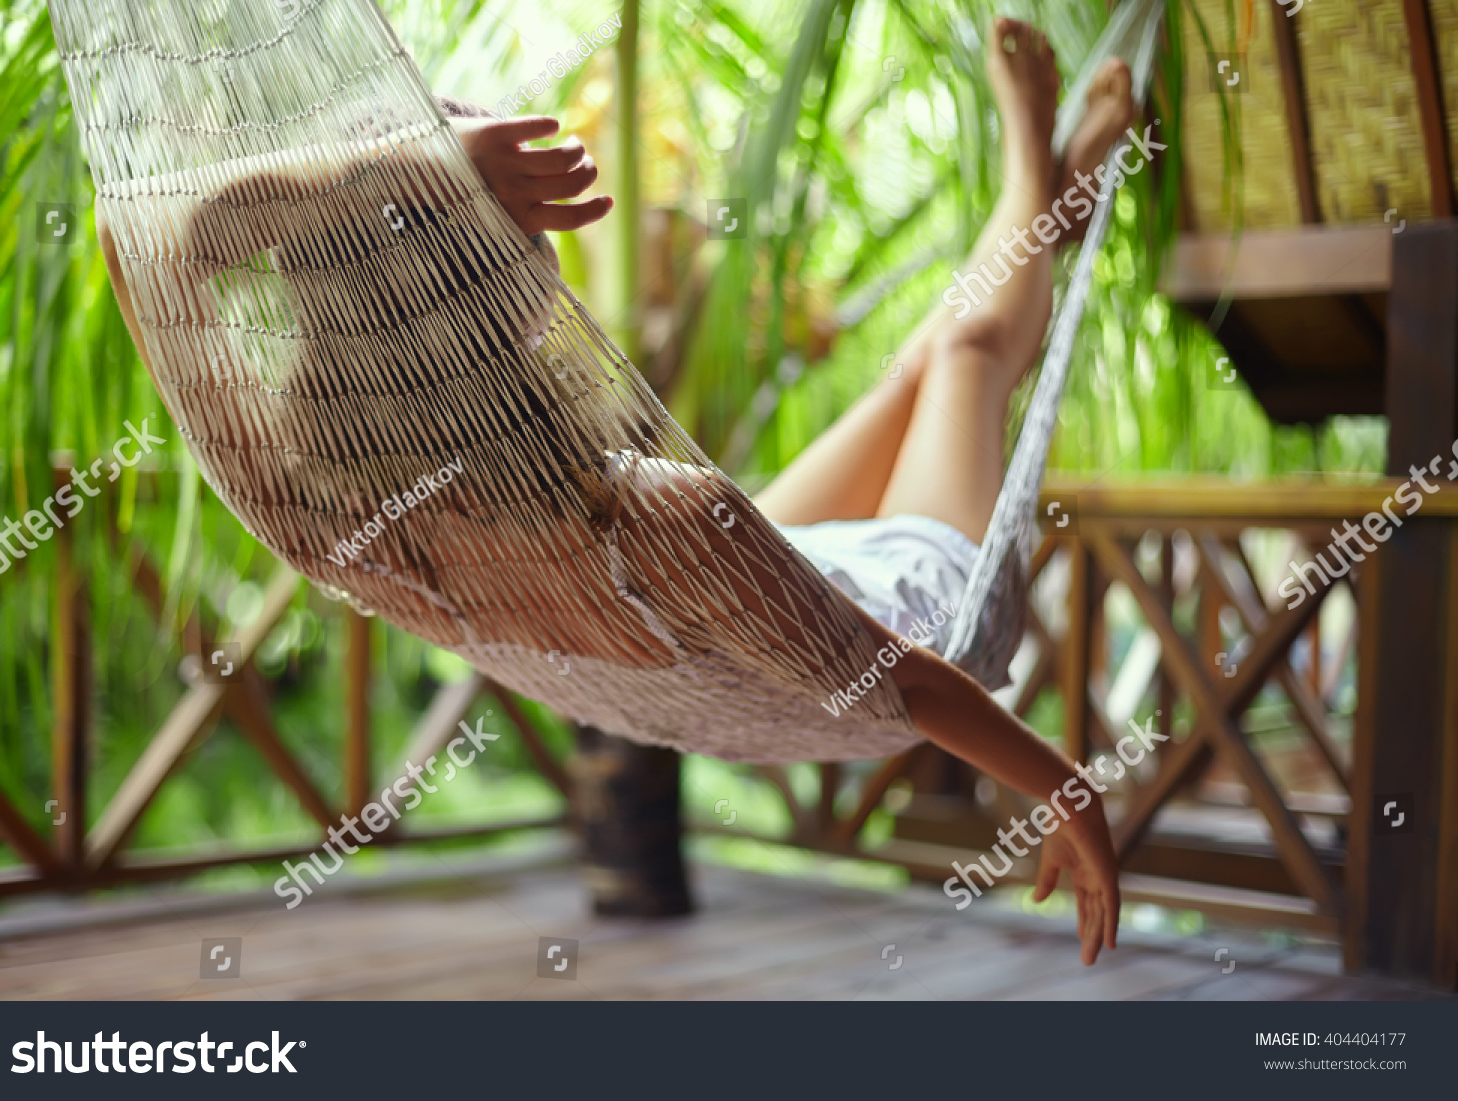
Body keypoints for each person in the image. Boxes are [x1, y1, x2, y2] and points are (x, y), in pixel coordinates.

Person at [97, 17, 1128, 964]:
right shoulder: (667, 515)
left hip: (762, 603)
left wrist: (411, 172)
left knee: (926, 367)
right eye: (528, 231)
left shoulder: (321, 520)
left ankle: (1041, 211)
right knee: (964, 356)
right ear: (522, 292)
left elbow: (138, 239)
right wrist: (1065, 789)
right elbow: (904, 679)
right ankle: (1030, 176)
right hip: (908, 614)